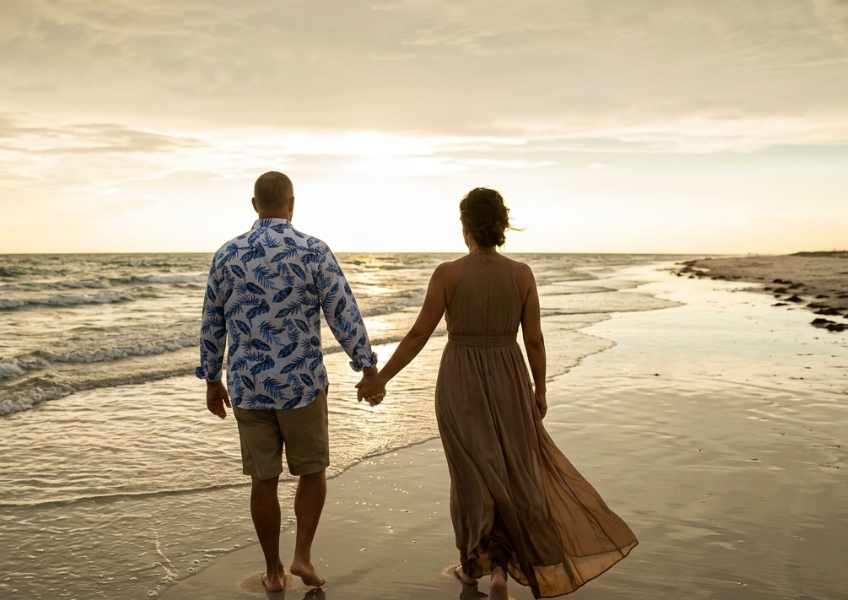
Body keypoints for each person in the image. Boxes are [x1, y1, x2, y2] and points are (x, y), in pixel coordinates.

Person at [357, 188, 637, 599]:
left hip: (460, 382)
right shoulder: (522, 274)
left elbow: (419, 334)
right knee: (513, 473)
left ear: (465, 225)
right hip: (510, 377)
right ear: (501, 226)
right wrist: (539, 390)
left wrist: (381, 379)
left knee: (471, 476)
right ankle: (501, 568)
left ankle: (474, 568)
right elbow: (536, 341)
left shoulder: (447, 274)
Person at [197, 171, 381, 593]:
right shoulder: (312, 250)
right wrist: (367, 367)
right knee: (312, 471)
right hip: (302, 383)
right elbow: (342, 312)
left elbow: (212, 322)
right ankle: (302, 556)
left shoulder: (226, 255)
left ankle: (274, 570)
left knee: (263, 479)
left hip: (248, 386)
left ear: (254, 204)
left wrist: (211, 378)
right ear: (292, 204)